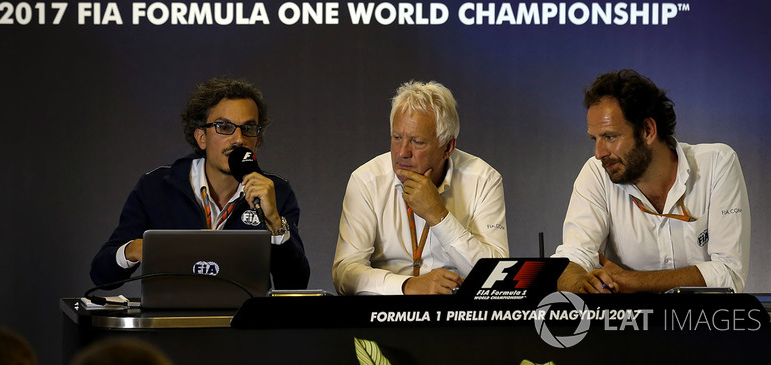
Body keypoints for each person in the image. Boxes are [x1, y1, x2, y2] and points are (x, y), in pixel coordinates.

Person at [90, 77, 310, 290]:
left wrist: (274, 223)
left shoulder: (276, 192)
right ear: (201, 138)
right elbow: (101, 275)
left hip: (243, 323)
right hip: (170, 324)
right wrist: (133, 250)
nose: (239, 139)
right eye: (224, 127)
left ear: (257, 140)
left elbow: (295, 285)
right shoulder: (156, 187)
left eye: (249, 128)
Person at [554, 69, 750, 293]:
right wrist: (581, 283)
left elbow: (730, 274)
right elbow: (572, 258)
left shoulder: (717, 164)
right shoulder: (596, 173)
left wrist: (630, 280)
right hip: (628, 327)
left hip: (703, 326)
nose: (599, 153)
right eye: (594, 139)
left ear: (647, 130)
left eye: (610, 137)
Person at [332, 80, 509, 295]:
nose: (402, 153)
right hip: (385, 317)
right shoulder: (367, 180)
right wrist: (407, 286)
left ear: (448, 147)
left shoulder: (484, 180)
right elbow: (344, 273)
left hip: (458, 318)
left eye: (417, 142)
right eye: (397, 138)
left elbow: (497, 279)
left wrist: (439, 217)